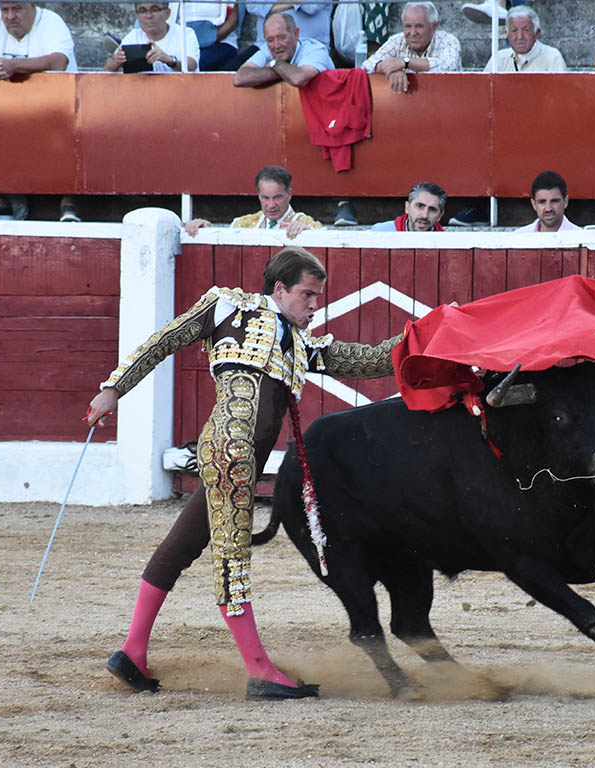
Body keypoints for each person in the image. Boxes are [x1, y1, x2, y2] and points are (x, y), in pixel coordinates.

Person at [90, 246, 402, 700]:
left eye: (317, 296)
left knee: (180, 546)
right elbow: (164, 340)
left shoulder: (301, 344)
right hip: (232, 452)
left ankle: (132, 652)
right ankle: (259, 669)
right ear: (279, 288)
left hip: (234, 458)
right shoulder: (228, 307)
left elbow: (369, 361)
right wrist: (113, 388)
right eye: (307, 294)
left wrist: (422, 334)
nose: (315, 305)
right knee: (232, 563)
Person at [0, 1, 79, 223]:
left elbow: (59, 61)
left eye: (17, 9)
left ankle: (70, 202)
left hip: (54, 109)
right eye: (5, 10)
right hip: (7, 112)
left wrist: (14, 66)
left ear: (32, 5)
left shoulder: (51, 22)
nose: (10, 16)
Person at [184, 165, 322, 238]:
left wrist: (310, 234)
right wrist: (204, 229)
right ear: (258, 195)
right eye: (265, 198)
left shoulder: (306, 224)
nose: (271, 205)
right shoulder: (243, 223)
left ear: (289, 194)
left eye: (277, 197)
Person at [362, 2, 461, 94]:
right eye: (408, 26)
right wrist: (392, 70)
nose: (413, 33)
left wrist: (405, 62)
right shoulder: (397, 40)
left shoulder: (448, 41)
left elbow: (448, 66)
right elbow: (367, 66)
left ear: (434, 27)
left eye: (419, 26)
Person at [234, 11, 332, 89]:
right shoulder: (267, 48)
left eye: (282, 37)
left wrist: (274, 64)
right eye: (270, 40)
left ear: (296, 34)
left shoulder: (315, 49)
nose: (277, 45)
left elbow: (298, 79)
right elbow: (239, 78)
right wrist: (286, 71)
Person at [104, 2, 199, 73]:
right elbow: (107, 69)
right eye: (142, 10)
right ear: (136, 15)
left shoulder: (185, 33)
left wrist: (169, 60)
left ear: (167, 13)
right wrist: (115, 61)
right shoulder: (133, 36)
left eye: (155, 9)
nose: (149, 15)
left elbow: (191, 66)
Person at [168, 1, 251, 71]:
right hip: (184, 42)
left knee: (194, 64)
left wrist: (209, 37)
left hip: (220, 42)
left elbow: (233, 21)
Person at [482, 5, 566, 72]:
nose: (520, 37)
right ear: (506, 33)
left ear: (537, 33)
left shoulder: (552, 57)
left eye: (526, 30)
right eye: (514, 30)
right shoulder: (498, 58)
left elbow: (560, 91)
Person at [245, 1, 332, 50]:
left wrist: (270, 6)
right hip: (266, 47)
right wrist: (296, 3)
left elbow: (312, 7)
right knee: (235, 72)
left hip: (309, 47)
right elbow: (253, 6)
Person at [370, 181, 446, 231]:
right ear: (407, 207)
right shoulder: (380, 233)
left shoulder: (447, 244)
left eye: (432, 209)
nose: (424, 215)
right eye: (420, 206)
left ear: (440, 216)